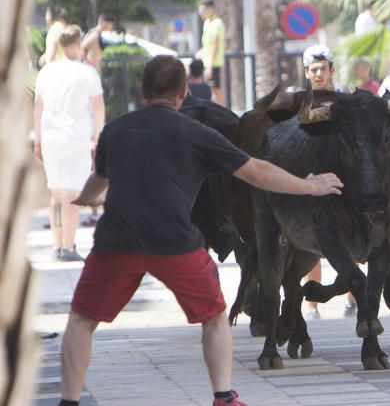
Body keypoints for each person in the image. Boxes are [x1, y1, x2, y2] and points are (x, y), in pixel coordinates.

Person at [58, 55, 344, 406]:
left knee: (81, 321)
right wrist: (309, 185)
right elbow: (256, 172)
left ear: (144, 90)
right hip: (175, 243)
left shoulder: (116, 129)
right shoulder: (196, 133)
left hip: (116, 242)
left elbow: (98, 180)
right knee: (213, 318)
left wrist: (83, 199)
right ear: (183, 92)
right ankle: (223, 397)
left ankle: (69, 401)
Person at [33, 25, 105, 262]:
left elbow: (37, 109)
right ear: (77, 44)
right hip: (75, 136)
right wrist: (97, 135)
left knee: (55, 192)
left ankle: (56, 244)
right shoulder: (87, 73)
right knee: (73, 192)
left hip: (50, 136)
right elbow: (97, 109)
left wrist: (38, 140)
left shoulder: (45, 73)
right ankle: (68, 246)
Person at [297, 45, 359, 318]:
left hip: (346, 182)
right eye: (314, 69)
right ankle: (311, 306)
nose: (319, 73)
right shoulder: (297, 102)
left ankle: (353, 300)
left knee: (351, 241)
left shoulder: (347, 101)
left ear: (331, 70)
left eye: (323, 68)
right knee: (311, 245)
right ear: (307, 72)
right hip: (310, 181)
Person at [196, 0, 226, 104]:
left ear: (210, 9)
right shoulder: (207, 23)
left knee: (215, 89)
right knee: (210, 90)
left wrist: (209, 66)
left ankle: (224, 113)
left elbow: (215, 45)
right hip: (206, 62)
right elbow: (207, 44)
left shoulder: (217, 23)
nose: (200, 13)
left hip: (213, 63)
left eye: (203, 9)